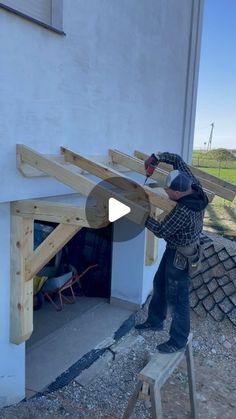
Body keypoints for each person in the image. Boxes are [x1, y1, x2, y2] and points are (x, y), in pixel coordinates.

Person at [135, 152, 209, 353]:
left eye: (167, 191)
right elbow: (178, 160)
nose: (165, 192)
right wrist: (157, 157)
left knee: (178, 300)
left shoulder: (183, 211)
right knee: (159, 283)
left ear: (177, 194)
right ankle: (155, 321)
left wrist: (141, 215)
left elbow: (160, 231)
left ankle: (177, 341)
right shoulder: (194, 185)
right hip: (177, 249)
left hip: (180, 256)